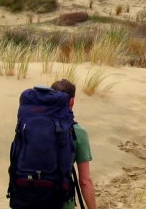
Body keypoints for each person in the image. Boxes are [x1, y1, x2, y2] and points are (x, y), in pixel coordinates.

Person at [50, 79, 98, 209]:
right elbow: (85, 182)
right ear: (72, 102)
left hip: (28, 201)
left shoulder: (29, 127)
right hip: (62, 203)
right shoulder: (77, 132)